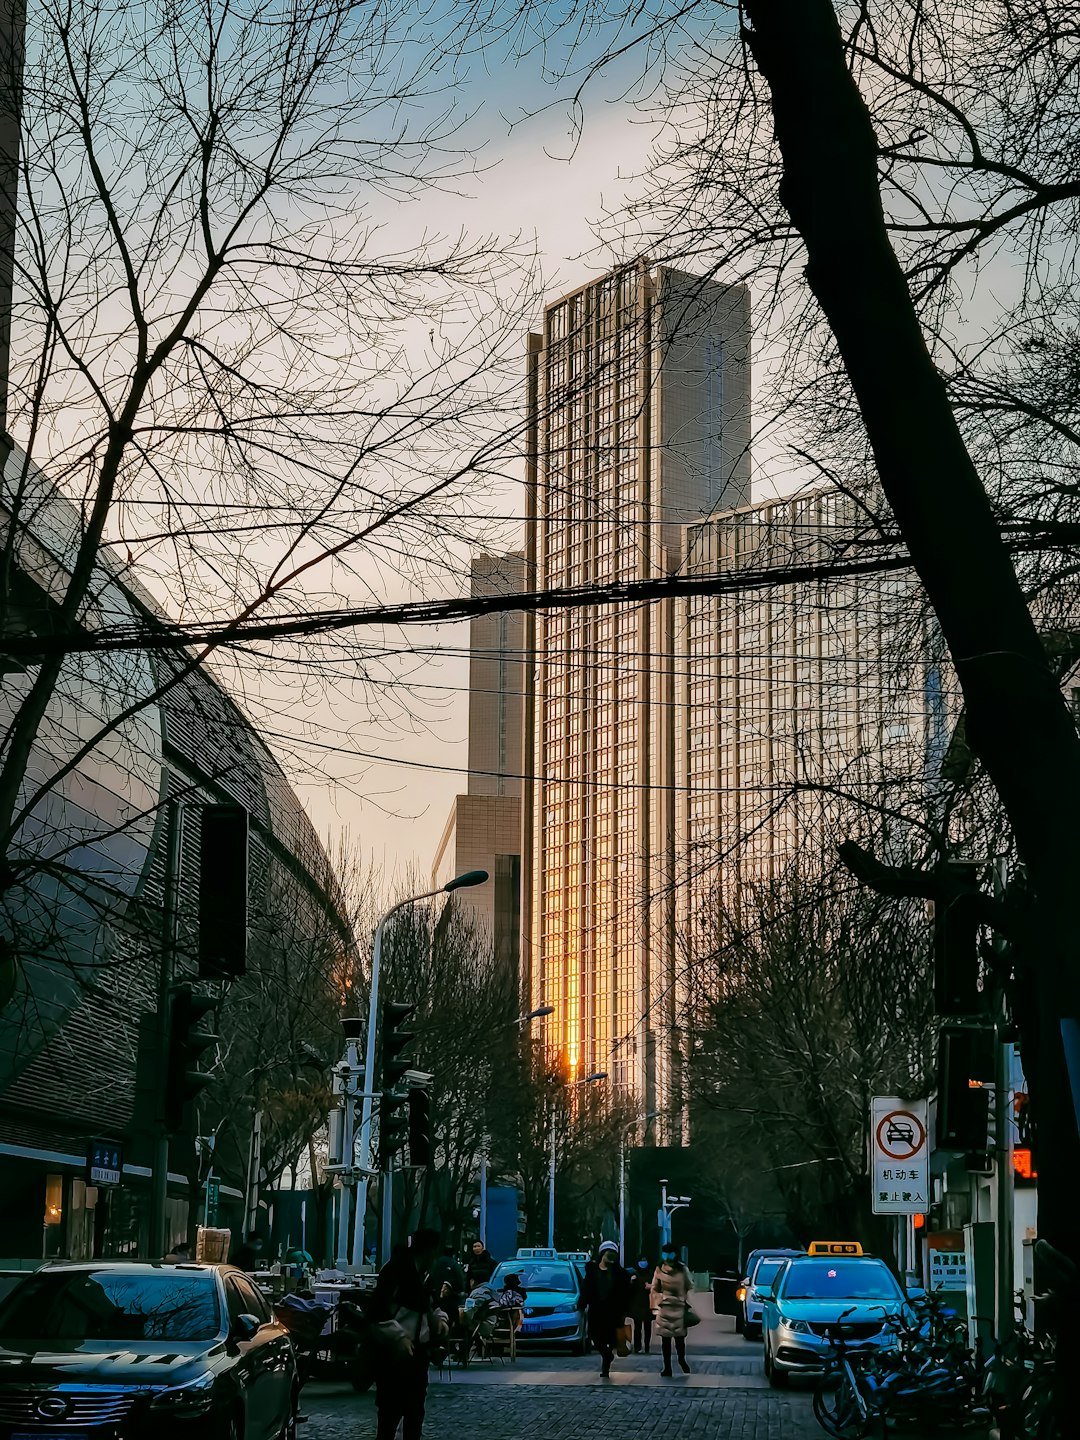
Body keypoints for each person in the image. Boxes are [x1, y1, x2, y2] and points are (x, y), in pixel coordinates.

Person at [370, 1227, 448, 1440]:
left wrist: (441, 1321)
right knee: (390, 1413)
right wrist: (398, 1336)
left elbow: (431, 1304)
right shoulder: (396, 1271)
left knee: (414, 1412)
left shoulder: (422, 1274)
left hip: (417, 1351)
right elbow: (378, 1312)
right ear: (430, 1249)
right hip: (393, 1352)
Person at [581, 1240, 632, 1378]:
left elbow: (626, 1293)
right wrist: (582, 1303)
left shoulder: (620, 1274)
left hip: (613, 1312)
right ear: (603, 1253)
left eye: (613, 1254)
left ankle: (605, 1366)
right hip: (596, 1311)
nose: (611, 1257)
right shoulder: (592, 1271)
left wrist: (625, 1310)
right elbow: (586, 1289)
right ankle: (607, 1355)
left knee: (611, 1338)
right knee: (596, 1337)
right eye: (609, 1253)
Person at [651, 1243, 692, 1376]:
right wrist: (657, 1303)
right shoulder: (659, 1269)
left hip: (679, 1307)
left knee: (680, 1339)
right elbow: (654, 1288)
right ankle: (667, 1366)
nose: (667, 1256)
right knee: (666, 1340)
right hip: (665, 1307)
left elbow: (689, 1286)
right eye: (665, 1253)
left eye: (670, 1253)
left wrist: (685, 1300)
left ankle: (682, 1360)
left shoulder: (682, 1269)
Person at [628, 1256, 653, 1354]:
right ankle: (637, 1347)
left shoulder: (651, 1274)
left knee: (648, 1327)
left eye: (644, 1261)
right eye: (641, 1261)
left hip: (648, 1304)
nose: (643, 1263)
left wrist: (651, 1286)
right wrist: (631, 1281)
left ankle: (647, 1346)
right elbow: (629, 1290)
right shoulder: (634, 1274)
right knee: (637, 1327)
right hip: (637, 1304)